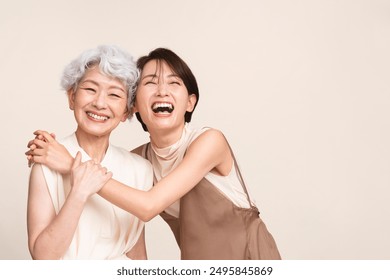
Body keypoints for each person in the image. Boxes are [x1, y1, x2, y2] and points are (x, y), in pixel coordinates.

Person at [27, 48, 281, 260]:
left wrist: (71, 163)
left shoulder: (209, 142)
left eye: (173, 83)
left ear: (190, 102)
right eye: (150, 82)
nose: (161, 91)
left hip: (249, 258)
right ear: (134, 105)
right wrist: (50, 153)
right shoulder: (139, 162)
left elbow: (147, 207)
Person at [26, 45, 153, 260]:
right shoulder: (46, 160)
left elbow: (136, 253)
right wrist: (79, 192)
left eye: (114, 94)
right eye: (90, 89)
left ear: (126, 112)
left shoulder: (140, 168)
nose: (100, 103)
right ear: (71, 97)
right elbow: (43, 257)